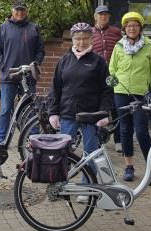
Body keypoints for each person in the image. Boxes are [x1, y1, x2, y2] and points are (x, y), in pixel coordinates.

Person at [48, 22, 114, 169]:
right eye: (78, 38)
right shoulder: (64, 61)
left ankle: (89, 188)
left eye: (85, 38)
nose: (81, 42)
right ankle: (62, 183)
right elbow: (55, 87)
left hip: (91, 115)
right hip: (68, 114)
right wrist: (53, 112)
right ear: (72, 40)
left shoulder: (99, 62)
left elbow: (107, 89)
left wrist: (104, 113)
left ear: (91, 39)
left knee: (91, 153)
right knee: (63, 152)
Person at [108, 12, 151, 183]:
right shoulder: (118, 46)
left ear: (140, 28)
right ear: (124, 28)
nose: (132, 28)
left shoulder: (149, 46)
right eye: (129, 26)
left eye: (135, 25)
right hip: (121, 92)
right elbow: (112, 69)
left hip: (141, 93)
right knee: (124, 129)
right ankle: (128, 166)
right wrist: (115, 83)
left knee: (141, 131)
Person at [0, 0, 45, 144]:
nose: (19, 13)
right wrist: (2, 65)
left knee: (30, 109)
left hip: (28, 77)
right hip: (9, 76)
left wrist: (36, 63)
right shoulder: (4, 28)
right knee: (5, 110)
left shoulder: (34, 28)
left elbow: (40, 49)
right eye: (17, 10)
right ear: (12, 11)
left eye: (22, 10)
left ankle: (32, 140)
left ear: (26, 11)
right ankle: (1, 140)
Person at [91, 5, 122, 151]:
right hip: (96, 75)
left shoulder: (116, 33)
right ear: (95, 16)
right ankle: (98, 138)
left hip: (114, 74)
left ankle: (119, 140)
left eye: (105, 15)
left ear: (109, 17)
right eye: (100, 14)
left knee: (116, 106)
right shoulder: (89, 32)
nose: (103, 17)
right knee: (97, 106)